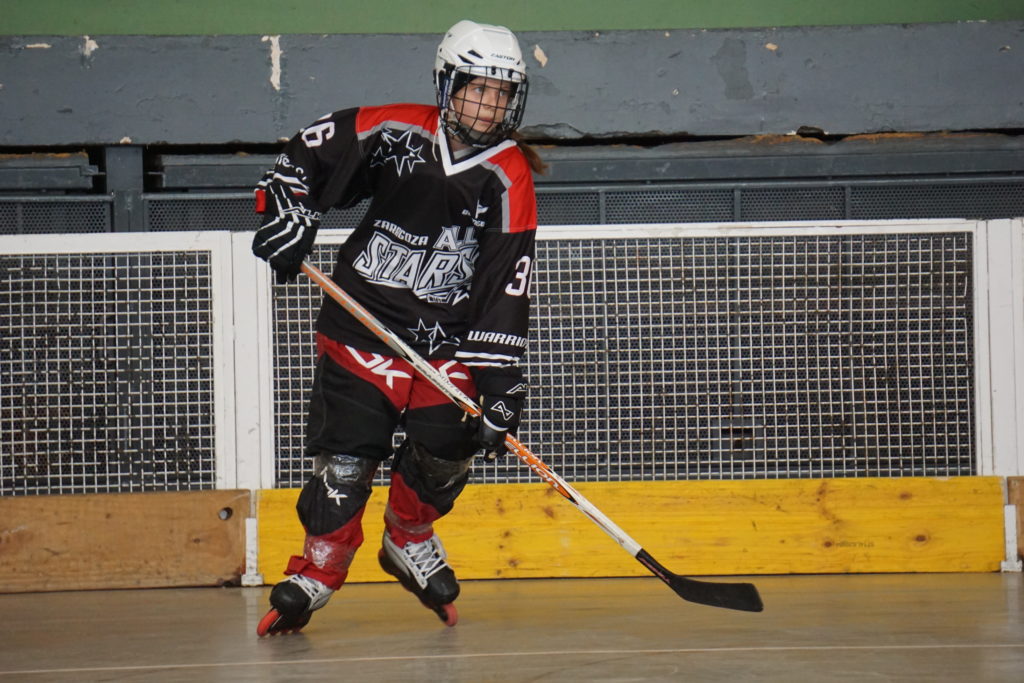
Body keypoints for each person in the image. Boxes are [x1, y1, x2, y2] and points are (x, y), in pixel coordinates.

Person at [251, 19, 545, 635]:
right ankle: (319, 569)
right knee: (347, 465)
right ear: (447, 84)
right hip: (364, 325)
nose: (488, 103)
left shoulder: (509, 174)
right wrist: (286, 213)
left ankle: (408, 537)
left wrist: (500, 379)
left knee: (445, 455)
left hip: (448, 342)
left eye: (501, 91)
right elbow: (305, 156)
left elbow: (503, 280)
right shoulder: (395, 128)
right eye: (475, 87)